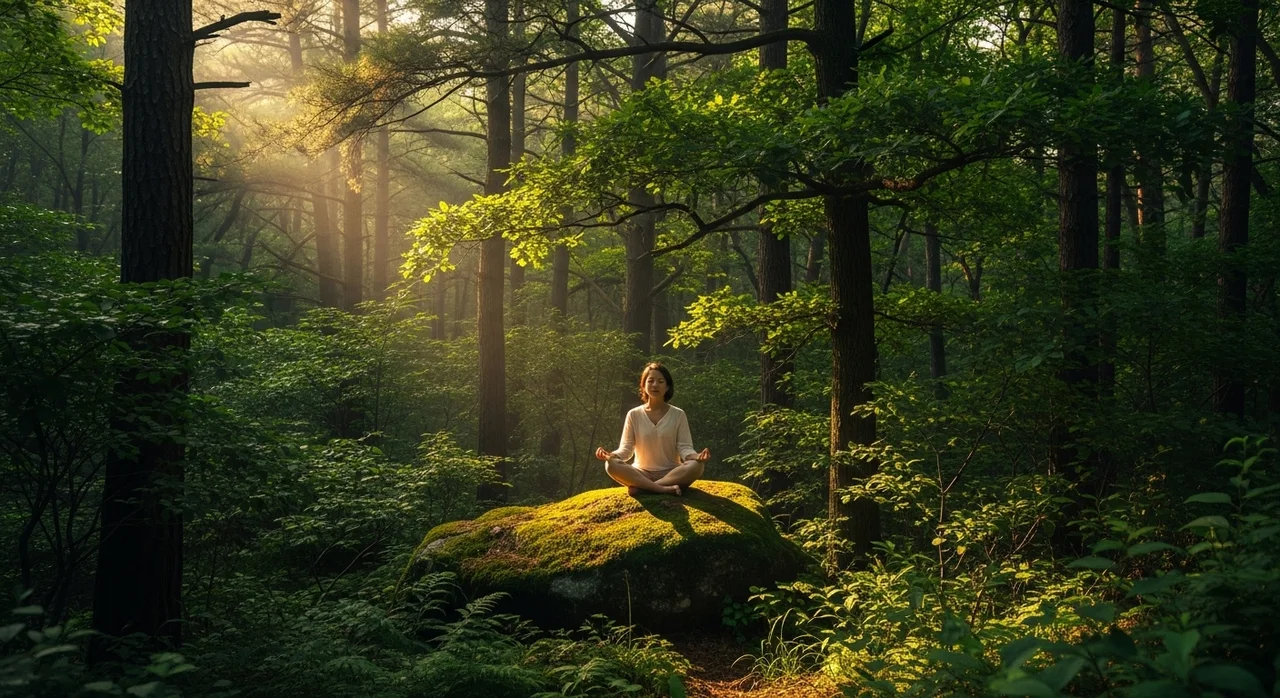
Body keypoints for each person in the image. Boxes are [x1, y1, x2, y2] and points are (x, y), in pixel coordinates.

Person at [595, 362, 711, 496]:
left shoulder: (678, 414)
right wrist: (611, 455)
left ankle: (645, 488)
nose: (655, 385)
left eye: (660, 381)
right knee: (611, 464)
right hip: (641, 473)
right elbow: (626, 449)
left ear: (667, 387)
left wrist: (697, 456)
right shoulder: (634, 414)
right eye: (650, 381)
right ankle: (661, 489)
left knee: (697, 466)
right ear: (643, 386)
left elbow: (685, 447)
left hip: (672, 473)